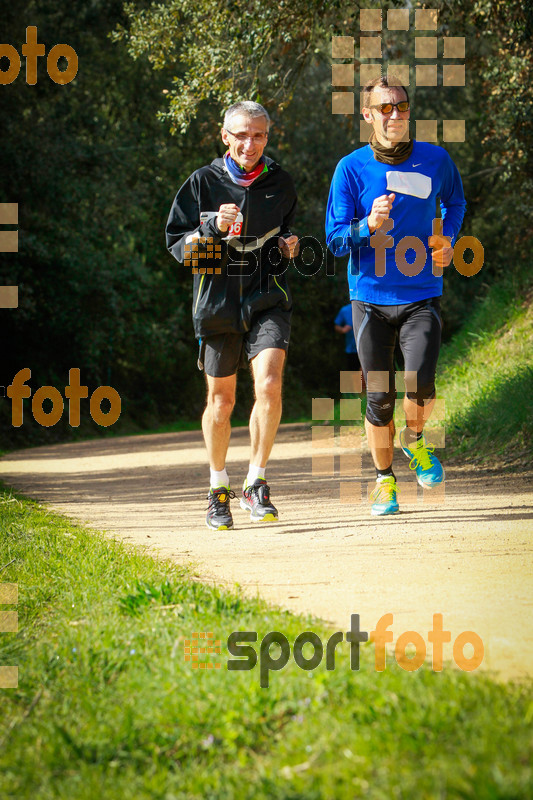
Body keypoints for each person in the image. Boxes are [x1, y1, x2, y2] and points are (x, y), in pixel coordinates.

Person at [325, 76, 466, 516]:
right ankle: (384, 482)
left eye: (401, 106)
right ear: (367, 115)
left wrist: (447, 237)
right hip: (369, 297)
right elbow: (333, 239)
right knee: (379, 398)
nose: (395, 115)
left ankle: (416, 440)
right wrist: (368, 226)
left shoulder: (436, 160)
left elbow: (454, 203)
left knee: (420, 382)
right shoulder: (351, 168)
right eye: (384, 108)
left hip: (421, 291)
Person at [166, 101, 299, 530]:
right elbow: (181, 251)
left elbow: (288, 234)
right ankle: (217, 488)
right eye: (241, 134)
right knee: (221, 403)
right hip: (217, 305)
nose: (249, 143)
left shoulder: (281, 184)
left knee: (270, 384)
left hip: (267, 300)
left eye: (258, 135)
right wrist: (211, 230)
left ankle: (256, 482)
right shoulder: (202, 183)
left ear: (267, 136)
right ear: (225, 136)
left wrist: (290, 247)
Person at [334, 302, 361, 372]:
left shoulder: (369, 309)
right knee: (352, 375)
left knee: (367, 375)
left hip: (367, 349)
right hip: (351, 349)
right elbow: (336, 326)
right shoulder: (345, 310)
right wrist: (343, 330)